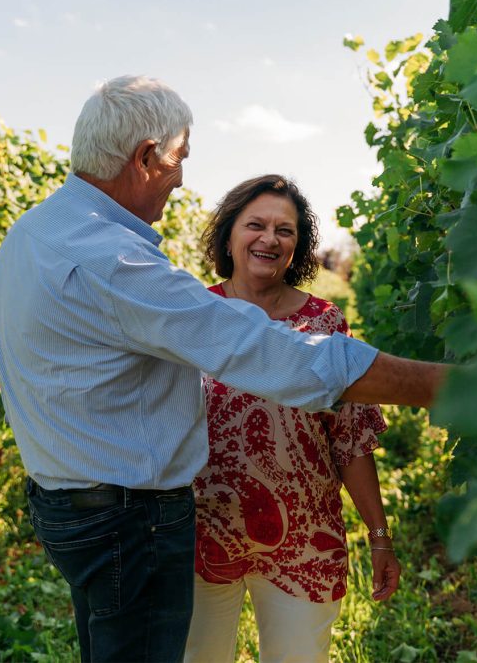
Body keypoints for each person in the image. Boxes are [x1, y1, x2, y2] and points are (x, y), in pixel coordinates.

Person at [0, 75, 446, 663]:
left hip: (74, 507)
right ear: (146, 157)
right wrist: (451, 385)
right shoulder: (114, 262)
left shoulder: (36, 233)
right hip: (132, 522)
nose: (181, 176)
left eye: (285, 230)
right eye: (179, 158)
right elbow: (266, 353)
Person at [184, 175, 399, 663]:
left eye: (285, 230)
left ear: (297, 246)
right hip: (202, 532)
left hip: (305, 539)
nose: (269, 239)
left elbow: (351, 442)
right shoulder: (194, 316)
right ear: (229, 235)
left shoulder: (326, 325)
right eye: (255, 224)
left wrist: (380, 537)